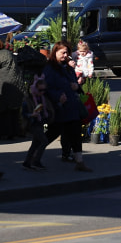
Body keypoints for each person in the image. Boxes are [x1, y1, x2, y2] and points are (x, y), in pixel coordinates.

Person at [43, 42, 92, 172]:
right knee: (52, 133)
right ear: (55, 53)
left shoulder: (68, 67)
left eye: (67, 53)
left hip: (71, 106)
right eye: (62, 53)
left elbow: (74, 82)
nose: (65, 55)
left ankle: (79, 162)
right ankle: (33, 156)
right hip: (59, 107)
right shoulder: (50, 68)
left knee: (76, 134)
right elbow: (46, 86)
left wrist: (76, 86)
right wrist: (57, 96)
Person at [21, 74, 51, 170]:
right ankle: (36, 161)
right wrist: (31, 115)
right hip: (32, 124)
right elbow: (23, 114)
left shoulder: (42, 99)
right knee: (44, 141)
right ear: (34, 89)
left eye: (44, 90)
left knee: (35, 144)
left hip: (40, 122)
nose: (42, 92)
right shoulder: (28, 100)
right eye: (40, 90)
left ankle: (27, 162)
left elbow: (49, 109)